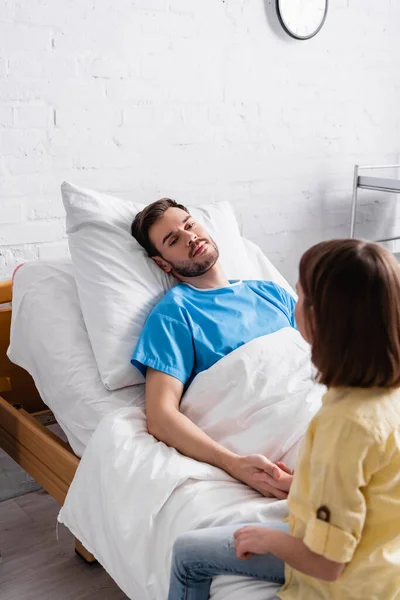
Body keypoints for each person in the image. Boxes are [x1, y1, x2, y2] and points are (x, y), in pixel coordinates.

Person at [167, 239, 400, 600]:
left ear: (324, 321)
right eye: (172, 238)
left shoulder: (344, 424)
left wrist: (269, 539)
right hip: (384, 560)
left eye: (301, 296)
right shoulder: (381, 392)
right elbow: (375, 485)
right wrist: (306, 484)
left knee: (187, 554)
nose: (294, 300)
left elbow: (328, 562)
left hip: (348, 584)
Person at [130, 198, 297, 499]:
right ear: (162, 263)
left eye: (189, 225)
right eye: (173, 240)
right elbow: (160, 414)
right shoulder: (174, 314)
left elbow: (323, 357)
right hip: (277, 428)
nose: (189, 237)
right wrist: (233, 464)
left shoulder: (272, 293)